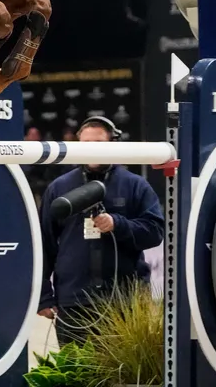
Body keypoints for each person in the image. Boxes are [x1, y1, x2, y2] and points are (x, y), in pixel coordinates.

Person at [37, 116, 165, 346]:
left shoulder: (135, 185)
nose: (92, 151)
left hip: (125, 302)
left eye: (99, 143)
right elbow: (42, 243)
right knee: (75, 374)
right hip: (73, 301)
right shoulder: (59, 188)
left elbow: (155, 231)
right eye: (85, 145)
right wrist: (43, 295)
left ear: (113, 144)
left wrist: (118, 224)